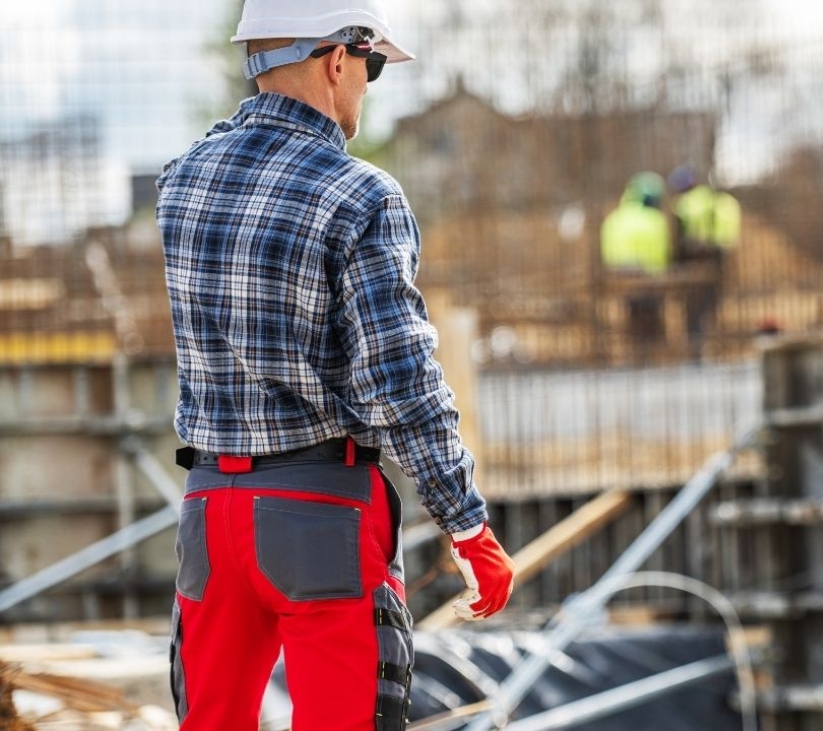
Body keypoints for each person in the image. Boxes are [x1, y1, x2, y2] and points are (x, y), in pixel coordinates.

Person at [155, 2, 514, 729]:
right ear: (338, 58)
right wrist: (466, 521)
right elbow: (400, 379)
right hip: (319, 517)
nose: (371, 83)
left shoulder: (179, 182)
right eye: (374, 64)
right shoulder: (361, 195)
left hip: (207, 519)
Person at [668, 165, 741, 360]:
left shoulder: (684, 204)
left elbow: (679, 238)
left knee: (694, 307)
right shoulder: (718, 201)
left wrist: (675, 262)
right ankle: (707, 344)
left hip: (695, 258)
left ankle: (697, 346)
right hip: (718, 257)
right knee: (709, 303)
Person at [600, 172, 672, 354]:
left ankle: (637, 352)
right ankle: (650, 352)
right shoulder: (654, 219)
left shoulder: (614, 217)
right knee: (651, 318)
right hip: (649, 276)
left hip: (620, 275)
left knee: (633, 316)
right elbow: (662, 251)